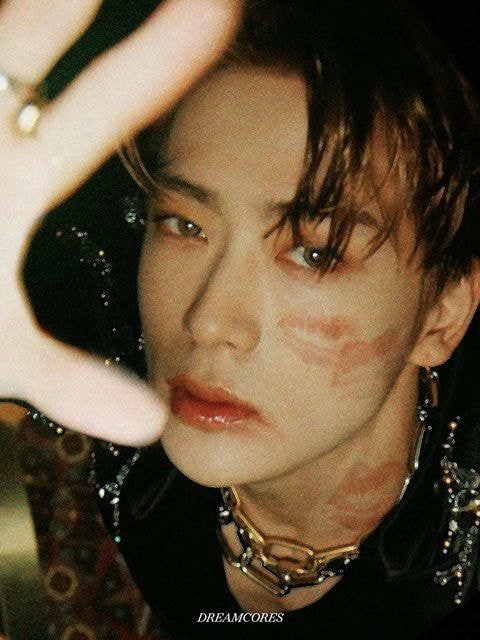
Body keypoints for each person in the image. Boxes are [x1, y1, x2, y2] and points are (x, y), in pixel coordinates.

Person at [2, 0, 480, 639]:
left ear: (441, 315)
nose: (207, 322)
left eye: (315, 253)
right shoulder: (94, 356)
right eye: (184, 224)